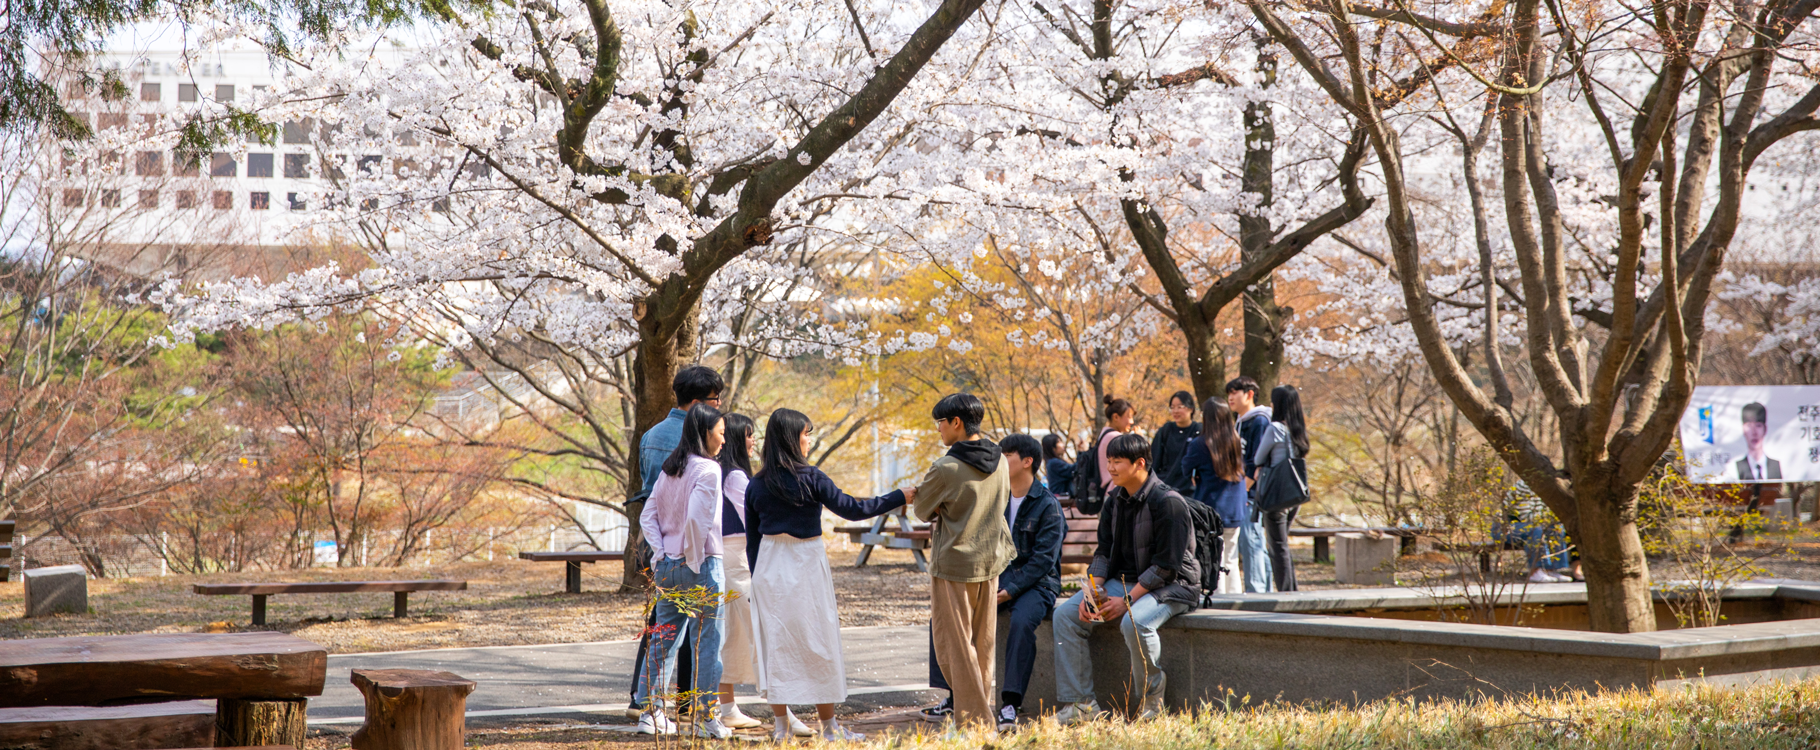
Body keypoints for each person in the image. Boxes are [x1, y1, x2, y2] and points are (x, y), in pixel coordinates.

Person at [745, 409, 912, 741]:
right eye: (806, 434)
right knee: (820, 641)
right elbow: (852, 508)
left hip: (768, 567)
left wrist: (755, 582)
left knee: (775, 645)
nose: (809, 440)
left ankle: (780, 729)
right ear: (793, 438)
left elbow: (752, 542)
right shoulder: (811, 477)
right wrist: (898, 497)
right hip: (806, 564)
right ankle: (829, 728)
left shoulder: (756, 484)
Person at [1052, 433, 1201, 724]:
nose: (1110, 467)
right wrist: (1092, 591)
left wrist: (1127, 601)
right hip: (1124, 583)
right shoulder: (1114, 501)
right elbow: (1104, 551)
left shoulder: (1169, 503)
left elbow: (1167, 567)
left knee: (1135, 621)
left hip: (1173, 586)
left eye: (1117, 461)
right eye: (1108, 460)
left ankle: (1152, 699)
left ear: (1140, 463)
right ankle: (1082, 706)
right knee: (1065, 616)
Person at [922, 433, 1063, 732]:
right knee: (948, 618)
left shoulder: (1047, 504)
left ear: (1027, 462)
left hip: (1037, 583)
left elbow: (1043, 561)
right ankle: (955, 696)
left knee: (1022, 622)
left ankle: (1010, 703)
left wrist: (1009, 590)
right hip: (994, 575)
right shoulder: (997, 491)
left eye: (1007, 455)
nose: (999, 459)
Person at [910, 394, 1015, 731]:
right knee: (983, 647)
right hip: (991, 561)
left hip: (955, 565)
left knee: (954, 647)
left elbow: (923, 509)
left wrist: (941, 505)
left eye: (940, 422)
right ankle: (978, 716)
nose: (938, 429)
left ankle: (974, 723)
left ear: (956, 423)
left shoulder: (946, 467)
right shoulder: (1000, 459)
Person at [629, 365, 723, 728]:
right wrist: (693, 555)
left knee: (663, 635)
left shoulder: (652, 438)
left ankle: (649, 709)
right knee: (706, 640)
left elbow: (648, 505)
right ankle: (702, 714)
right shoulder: (705, 464)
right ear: (700, 404)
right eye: (715, 402)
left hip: (664, 550)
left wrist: (662, 552)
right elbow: (699, 519)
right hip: (695, 556)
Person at [711, 414, 810, 735]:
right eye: (749, 435)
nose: (754, 441)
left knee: (733, 637)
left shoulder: (719, 471)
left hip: (724, 559)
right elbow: (757, 520)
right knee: (761, 637)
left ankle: (728, 708)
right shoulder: (737, 477)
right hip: (740, 559)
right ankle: (785, 715)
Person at [1181, 398, 1246, 594]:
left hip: (1210, 511)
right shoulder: (1236, 440)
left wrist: (1197, 473)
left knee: (1213, 560)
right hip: (1235, 508)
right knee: (1231, 558)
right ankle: (1236, 605)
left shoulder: (1200, 443)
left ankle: (1218, 606)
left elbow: (1185, 469)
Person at [1253, 384, 1309, 593]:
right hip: (1294, 494)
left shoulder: (1275, 428)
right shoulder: (1298, 430)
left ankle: (1286, 593)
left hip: (1276, 495)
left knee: (1277, 547)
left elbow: (1258, 457)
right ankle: (1292, 589)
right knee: (1282, 544)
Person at [1226, 377, 1274, 593]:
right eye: (1229, 393)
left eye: (1235, 392)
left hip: (1250, 492)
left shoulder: (1260, 421)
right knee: (1255, 542)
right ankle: (1266, 592)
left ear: (1250, 394)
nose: (1230, 398)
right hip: (1243, 491)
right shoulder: (1240, 421)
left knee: (1251, 542)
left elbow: (1257, 461)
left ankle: (1257, 595)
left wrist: (1242, 491)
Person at [1502, 479, 1572, 583]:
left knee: (1556, 528)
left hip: (1533, 524)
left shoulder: (1551, 487)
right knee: (1535, 530)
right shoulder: (1525, 486)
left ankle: (1551, 569)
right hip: (1508, 526)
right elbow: (1527, 516)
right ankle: (1535, 571)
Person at [1151, 391, 1201, 492]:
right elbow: (1154, 460)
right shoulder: (1166, 430)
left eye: (1180, 407)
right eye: (1172, 407)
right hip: (1164, 487)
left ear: (1191, 409)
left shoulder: (1198, 430)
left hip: (1190, 490)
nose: (1175, 411)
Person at [1736, 402, 1782, 481]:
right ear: (1743, 429)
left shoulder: (1776, 466)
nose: (1754, 432)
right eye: (1749, 426)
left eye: (1758, 425)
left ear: (1765, 429)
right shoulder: (1736, 466)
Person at [1043, 433, 1076, 499]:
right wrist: (1083, 453)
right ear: (1053, 448)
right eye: (1059, 442)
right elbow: (1073, 470)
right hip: (1062, 499)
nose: (1063, 445)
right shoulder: (1054, 463)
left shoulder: (1052, 462)